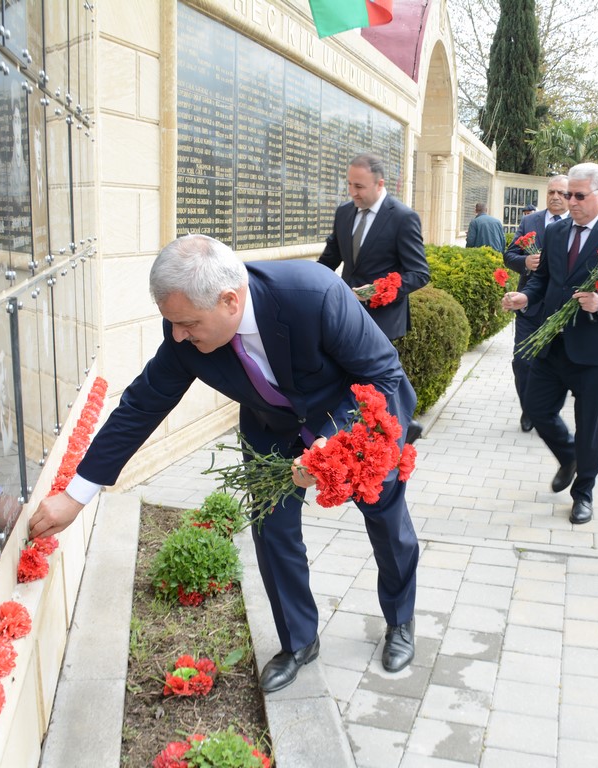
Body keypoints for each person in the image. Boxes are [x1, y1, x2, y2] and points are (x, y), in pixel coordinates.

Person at [29, 235, 421, 692]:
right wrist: (76, 495)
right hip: (271, 432)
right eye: (172, 323)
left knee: (386, 520)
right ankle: (299, 641)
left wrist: (330, 445)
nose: (178, 335)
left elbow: (383, 374)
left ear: (229, 301)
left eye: (187, 323)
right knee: (273, 532)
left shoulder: (314, 294)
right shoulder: (183, 335)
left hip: (351, 424)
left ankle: (400, 620)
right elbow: (141, 406)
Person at [500, 163, 598, 525]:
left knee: (589, 427)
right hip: (552, 342)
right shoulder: (556, 231)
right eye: (568, 195)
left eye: (579, 195)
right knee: (536, 408)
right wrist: (525, 297)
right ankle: (569, 456)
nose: (571, 202)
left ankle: (584, 493)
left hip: (594, 350)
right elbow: (544, 279)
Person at [318, 153, 429, 442]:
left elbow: (419, 273)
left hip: (383, 319)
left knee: (377, 380)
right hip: (345, 316)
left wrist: (373, 292)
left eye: (359, 186)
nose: (352, 192)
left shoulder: (403, 217)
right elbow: (329, 260)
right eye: (349, 184)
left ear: (380, 184)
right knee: (350, 379)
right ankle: (386, 428)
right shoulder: (344, 213)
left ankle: (398, 428)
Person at [504, 174, 568, 432]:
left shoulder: (576, 225)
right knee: (522, 361)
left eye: (561, 193)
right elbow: (509, 255)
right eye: (551, 192)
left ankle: (546, 409)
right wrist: (525, 262)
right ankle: (529, 409)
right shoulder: (530, 221)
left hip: (561, 310)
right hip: (530, 307)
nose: (555, 197)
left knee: (553, 365)